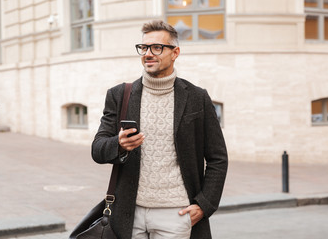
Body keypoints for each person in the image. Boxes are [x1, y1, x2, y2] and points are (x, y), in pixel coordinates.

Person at [92, 20, 228, 239]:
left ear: (175, 53)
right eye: (144, 48)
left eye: (157, 47)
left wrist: (204, 205)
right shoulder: (119, 95)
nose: (148, 53)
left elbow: (217, 158)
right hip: (129, 214)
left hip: (176, 213)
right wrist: (118, 145)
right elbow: (97, 149)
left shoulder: (197, 97)